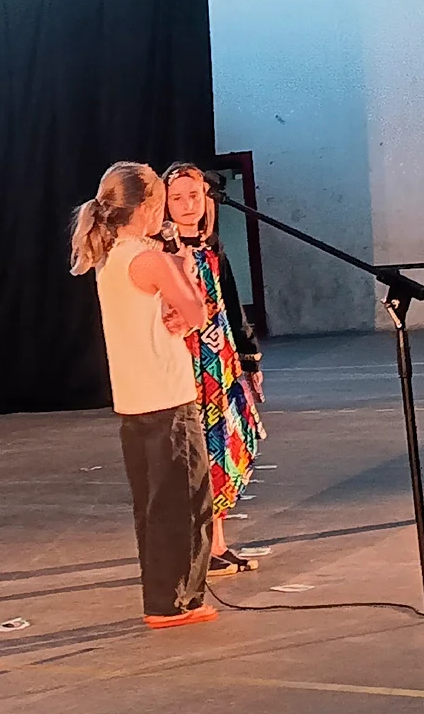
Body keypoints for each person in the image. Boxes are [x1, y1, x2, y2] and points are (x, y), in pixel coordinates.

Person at [69, 161, 219, 628]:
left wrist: (175, 308)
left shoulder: (111, 256)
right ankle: (176, 601)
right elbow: (197, 311)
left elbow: (171, 313)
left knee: (154, 506)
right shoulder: (149, 258)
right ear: (149, 207)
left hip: (134, 399)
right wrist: (183, 269)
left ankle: (163, 596)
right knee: (186, 502)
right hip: (166, 396)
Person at [156, 162, 267, 575]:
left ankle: (217, 543)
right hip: (185, 364)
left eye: (194, 196)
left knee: (223, 449)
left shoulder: (212, 249)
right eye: (177, 198)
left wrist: (249, 356)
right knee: (193, 456)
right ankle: (197, 548)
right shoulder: (161, 254)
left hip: (220, 364)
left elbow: (232, 305)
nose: (188, 205)